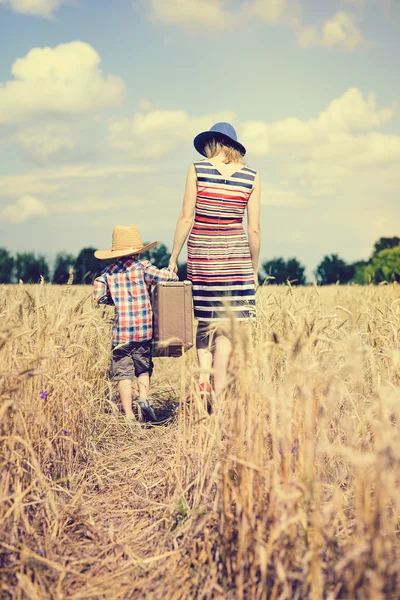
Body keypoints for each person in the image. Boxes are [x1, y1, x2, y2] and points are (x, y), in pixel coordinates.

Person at [168, 122, 261, 406]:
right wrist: (253, 270)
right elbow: (253, 230)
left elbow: (186, 217)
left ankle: (201, 384)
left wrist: (173, 258)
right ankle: (219, 398)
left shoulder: (197, 169)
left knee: (205, 321)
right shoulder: (252, 177)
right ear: (233, 145)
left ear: (213, 143)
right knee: (226, 330)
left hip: (203, 257)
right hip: (236, 261)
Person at [93, 224, 178, 421]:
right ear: (137, 253)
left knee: (123, 375)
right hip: (143, 333)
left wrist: (113, 298)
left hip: (120, 336)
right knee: (143, 369)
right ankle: (143, 398)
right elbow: (167, 278)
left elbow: (98, 295)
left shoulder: (108, 272)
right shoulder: (143, 268)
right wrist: (171, 270)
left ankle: (129, 416)